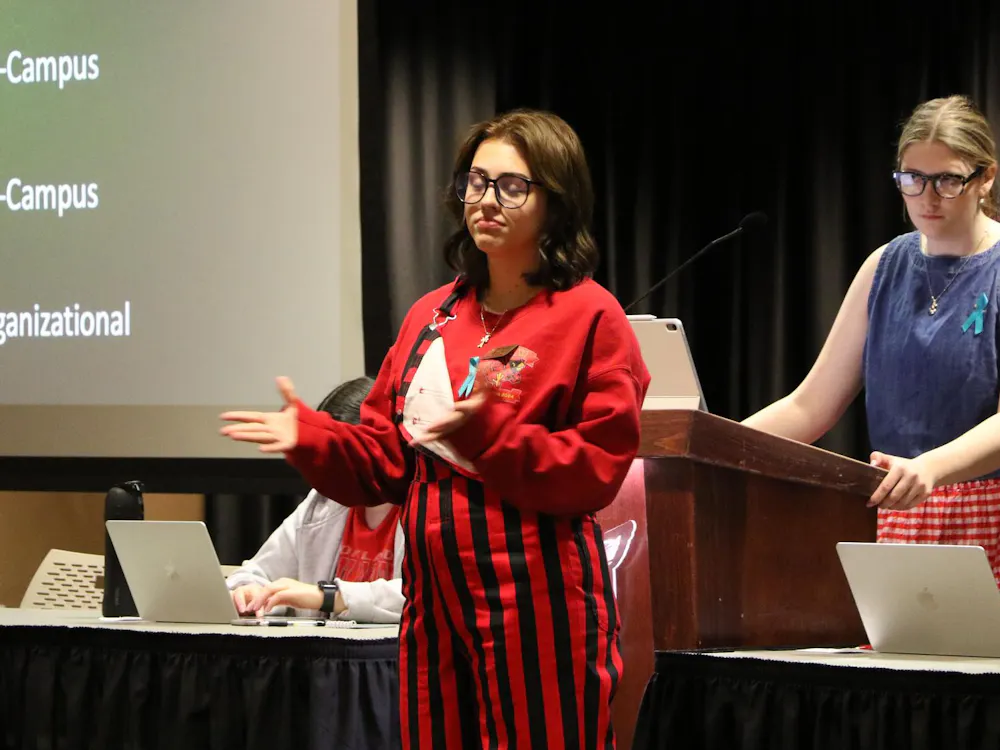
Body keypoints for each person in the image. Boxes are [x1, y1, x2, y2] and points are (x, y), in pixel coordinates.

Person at [220, 109, 650, 749]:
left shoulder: (590, 315)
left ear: (556, 202)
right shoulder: (434, 314)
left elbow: (594, 469)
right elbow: (385, 463)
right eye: (475, 182)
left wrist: (489, 440)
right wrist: (311, 437)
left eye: (511, 185)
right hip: (434, 602)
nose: (486, 200)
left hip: (539, 599)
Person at [743, 94, 1000, 581]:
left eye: (947, 180)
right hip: (900, 516)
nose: (927, 197)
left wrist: (931, 468)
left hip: (988, 515)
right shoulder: (884, 265)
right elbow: (809, 406)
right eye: (912, 179)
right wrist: (713, 443)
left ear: (986, 177)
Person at [226, 376, 406, 623]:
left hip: (392, 658)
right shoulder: (322, 503)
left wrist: (327, 596)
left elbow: (429, 596)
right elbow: (256, 574)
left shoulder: (427, 504)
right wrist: (250, 593)